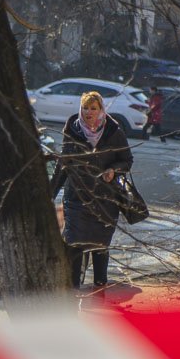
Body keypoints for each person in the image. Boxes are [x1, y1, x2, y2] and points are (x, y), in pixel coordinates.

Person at [49, 91, 134, 291]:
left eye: (93, 108)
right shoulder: (72, 128)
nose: (89, 112)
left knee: (99, 246)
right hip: (76, 197)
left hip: (104, 199)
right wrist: (50, 193)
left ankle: (99, 287)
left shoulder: (114, 131)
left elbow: (127, 160)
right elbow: (65, 162)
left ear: (101, 110)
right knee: (74, 245)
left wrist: (113, 170)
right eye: (85, 108)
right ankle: (73, 289)